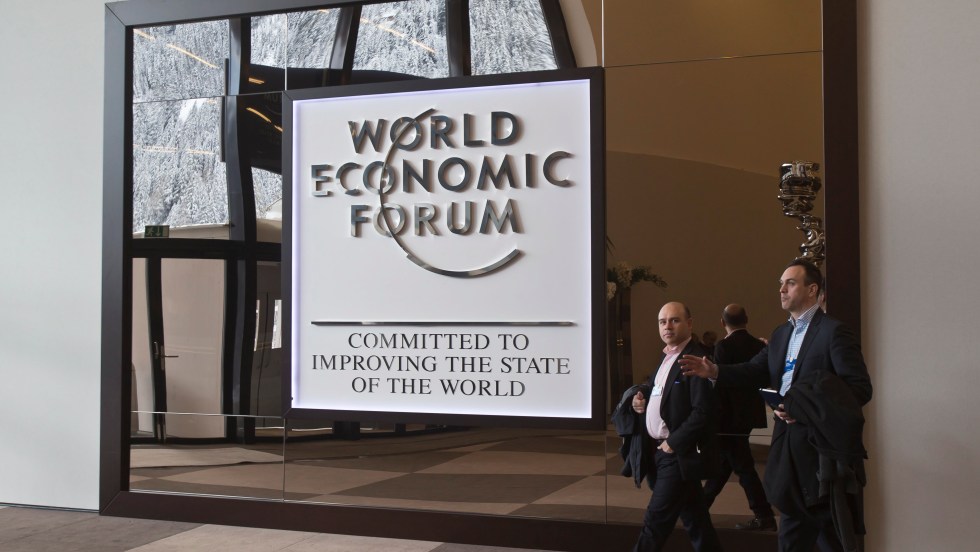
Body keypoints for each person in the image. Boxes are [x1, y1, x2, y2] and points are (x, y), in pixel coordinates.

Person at [680, 260, 872, 552]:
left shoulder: (833, 332)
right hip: (786, 445)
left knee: (824, 528)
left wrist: (804, 407)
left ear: (812, 289)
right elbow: (753, 370)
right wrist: (715, 371)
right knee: (796, 524)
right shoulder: (781, 334)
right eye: (781, 284)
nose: (782, 289)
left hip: (819, 449)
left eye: (790, 283)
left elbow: (858, 388)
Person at [628, 302, 722, 552]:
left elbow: (703, 411)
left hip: (677, 455)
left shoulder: (695, 359)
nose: (667, 326)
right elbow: (659, 390)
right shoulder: (667, 356)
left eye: (674, 320)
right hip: (662, 452)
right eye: (662, 322)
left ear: (689, 324)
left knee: (655, 523)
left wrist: (672, 443)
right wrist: (641, 397)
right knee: (697, 522)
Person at [701, 304, 776, 531]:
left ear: (722, 323)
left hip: (727, 416)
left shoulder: (722, 346)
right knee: (728, 462)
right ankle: (699, 507)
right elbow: (763, 378)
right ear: (747, 319)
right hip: (749, 414)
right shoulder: (759, 346)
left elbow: (720, 384)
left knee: (742, 466)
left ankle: (764, 514)